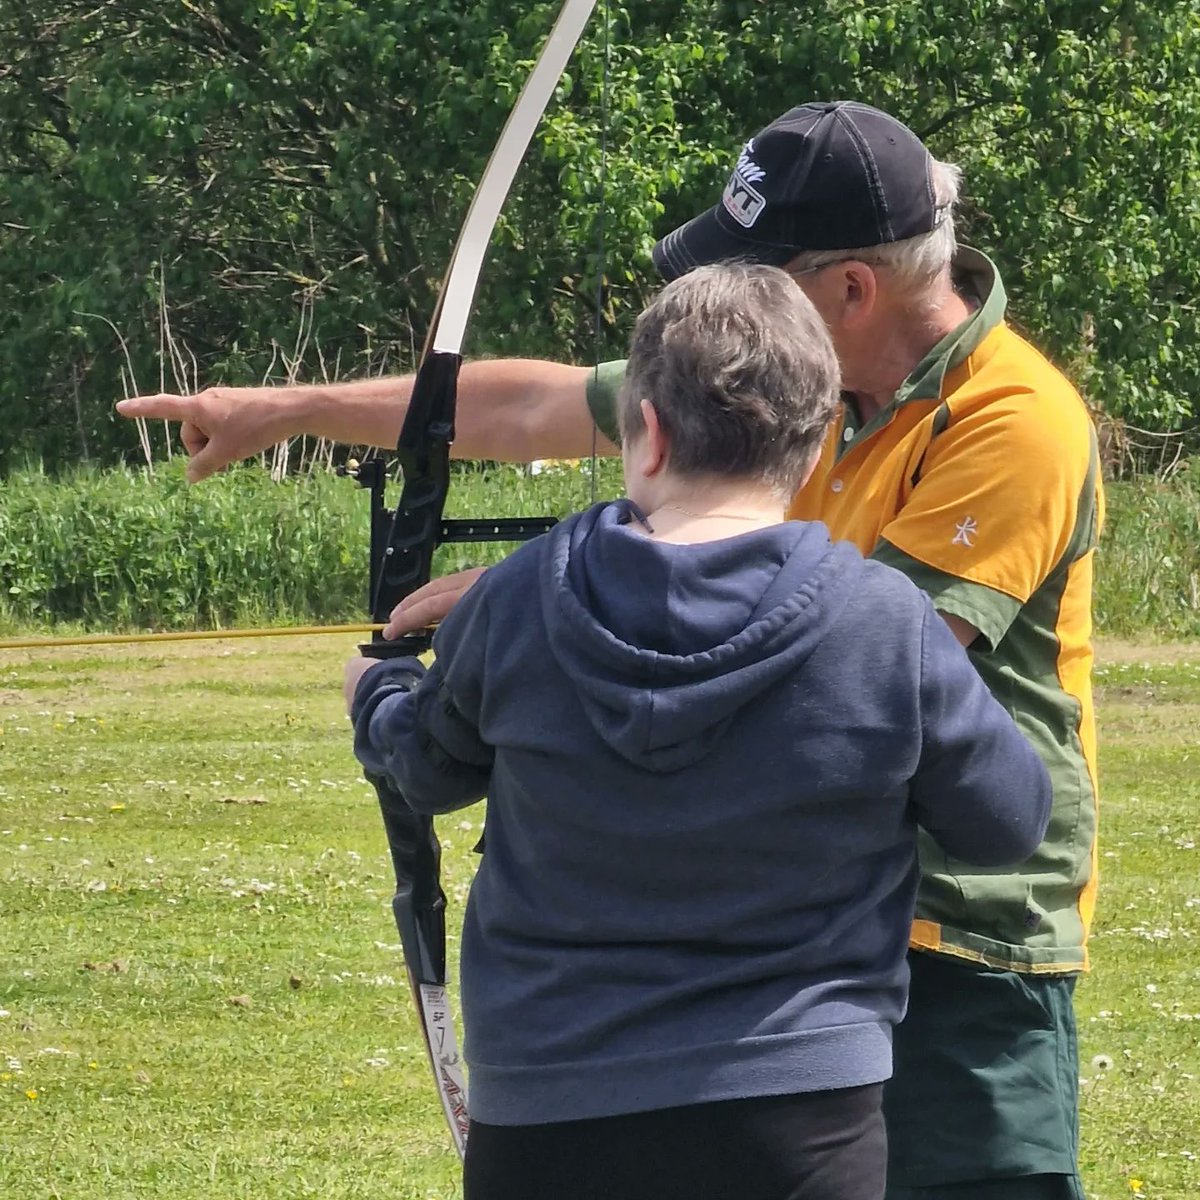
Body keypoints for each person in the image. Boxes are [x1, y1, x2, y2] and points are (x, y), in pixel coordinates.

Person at [119, 101, 1104, 1199]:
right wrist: (292, 409)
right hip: (797, 930)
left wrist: (535, 593)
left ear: (849, 291)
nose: (732, 300)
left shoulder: (1015, 419)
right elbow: (537, 403)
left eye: (755, 270)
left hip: (960, 945)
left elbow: (875, 645)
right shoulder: (781, 378)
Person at [342, 261, 1052, 1200]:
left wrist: (378, 689)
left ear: (650, 433)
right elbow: (1007, 819)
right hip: (800, 1112)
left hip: (551, 1107)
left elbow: (428, 767)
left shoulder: (520, 598)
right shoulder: (882, 622)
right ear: (813, 447)